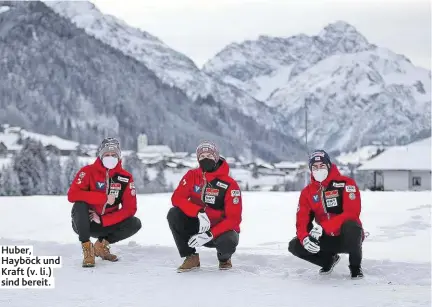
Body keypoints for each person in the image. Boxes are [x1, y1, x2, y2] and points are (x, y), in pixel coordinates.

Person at [167, 141, 242, 272]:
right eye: (201, 157)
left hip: (220, 231)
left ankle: (224, 259)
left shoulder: (230, 184)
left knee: (229, 239)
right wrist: (198, 212)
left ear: (216, 157)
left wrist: (210, 234)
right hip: (199, 225)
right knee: (174, 214)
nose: (205, 159)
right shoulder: (192, 176)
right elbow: (177, 198)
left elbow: (234, 219)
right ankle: (191, 257)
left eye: (209, 155)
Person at [288, 149, 364, 279]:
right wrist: (304, 238)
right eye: (315, 167)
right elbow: (302, 220)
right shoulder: (307, 192)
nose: (318, 169)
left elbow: (351, 213)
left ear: (329, 165)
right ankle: (328, 260)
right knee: (295, 245)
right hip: (325, 239)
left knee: (353, 226)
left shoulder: (346, 183)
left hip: (347, 237)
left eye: (322, 165)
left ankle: (355, 268)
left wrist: (324, 227)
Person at [67, 137, 142, 267]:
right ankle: (87, 249)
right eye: (107, 154)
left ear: (119, 157)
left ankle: (101, 246)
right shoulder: (87, 172)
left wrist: (103, 220)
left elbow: (130, 209)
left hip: (107, 224)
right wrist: (103, 198)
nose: (110, 157)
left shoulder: (125, 178)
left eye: (114, 155)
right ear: (101, 155)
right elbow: (72, 195)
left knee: (134, 223)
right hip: (85, 223)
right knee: (79, 204)